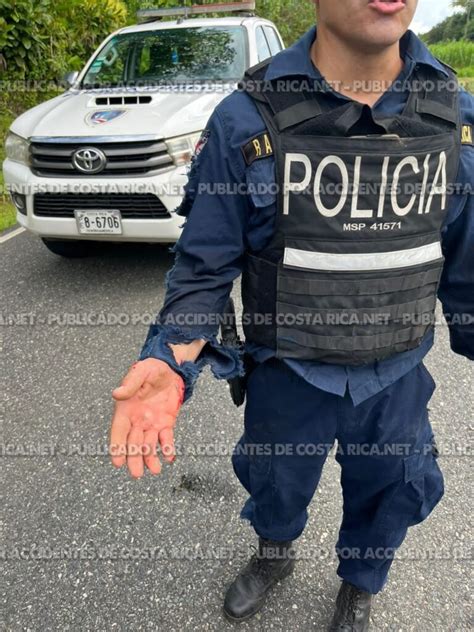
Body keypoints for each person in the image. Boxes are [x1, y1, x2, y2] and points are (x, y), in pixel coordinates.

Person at [109, 1, 474, 629]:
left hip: (395, 381)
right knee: (275, 480)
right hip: (287, 372)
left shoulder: (455, 118)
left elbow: (468, 267)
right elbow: (204, 269)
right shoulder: (245, 119)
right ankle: (274, 553)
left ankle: (359, 586)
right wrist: (171, 357)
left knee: (396, 490)